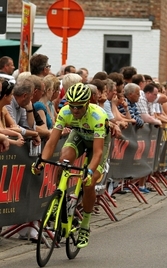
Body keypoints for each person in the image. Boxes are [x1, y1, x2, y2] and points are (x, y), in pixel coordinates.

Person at [33, 83, 110, 248]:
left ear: (88, 103)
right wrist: (41, 160)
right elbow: (52, 142)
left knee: (89, 182)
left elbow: (97, 152)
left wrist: (89, 171)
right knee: (63, 161)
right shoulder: (65, 111)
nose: (75, 110)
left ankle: (85, 225)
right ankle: (60, 197)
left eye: (79, 107)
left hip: (98, 143)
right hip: (79, 136)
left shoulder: (98, 116)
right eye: (72, 106)